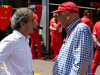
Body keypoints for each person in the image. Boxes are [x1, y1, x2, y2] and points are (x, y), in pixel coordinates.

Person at [52, 1, 93, 75]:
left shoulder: (81, 29)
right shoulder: (73, 30)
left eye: (59, 15)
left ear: (67, 15)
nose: (58, 19)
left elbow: (80, 63)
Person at [0, 8, 35, 75]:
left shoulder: (25, 40)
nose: (34, 23)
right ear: (22, 24)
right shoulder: (10, 41)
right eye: (32, 21)